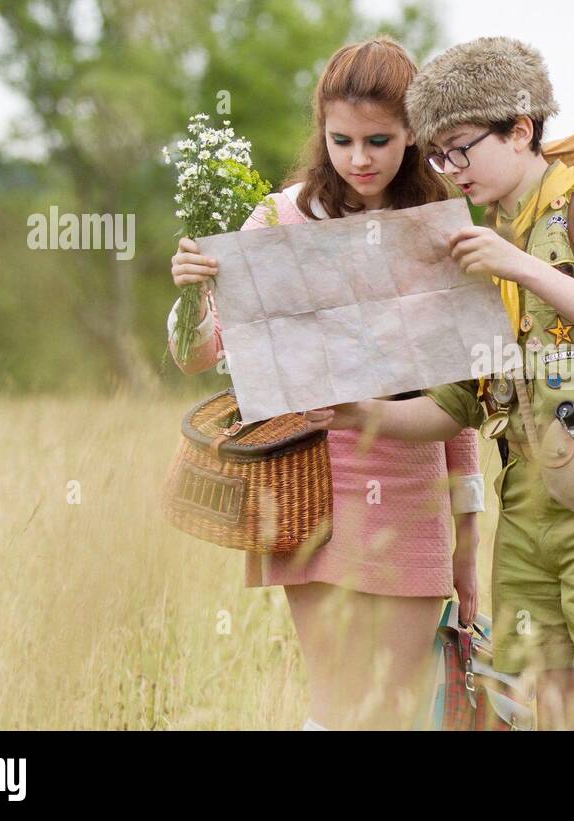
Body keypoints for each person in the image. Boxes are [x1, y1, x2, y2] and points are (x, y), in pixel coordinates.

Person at [303, 36, 574, 730]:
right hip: (528, 505)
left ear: (521, 129)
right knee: (539, 704)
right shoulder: (479, 242)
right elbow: (455, 406)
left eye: (461, 148)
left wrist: (522, 267)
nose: (449, 168)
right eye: (439, 153)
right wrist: (355, 413)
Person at [165, 36, 484, 730]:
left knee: (395, 709)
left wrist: (468, 540)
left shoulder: (441, 234)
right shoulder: (281, 218)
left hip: (410, 486)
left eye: (379, 139)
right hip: (308, 485)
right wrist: (188, 293)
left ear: (413, 135)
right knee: (338, 705)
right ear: (322, 131)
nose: (359, 159)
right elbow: (200, 353)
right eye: (341, 140)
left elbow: (461, 410)